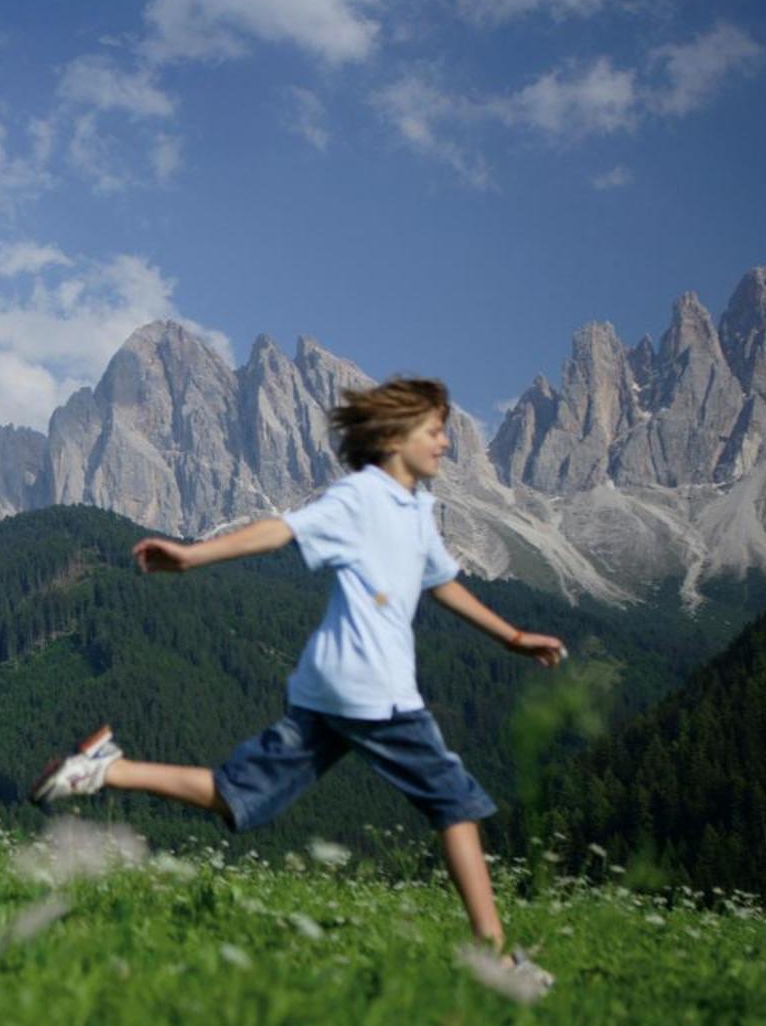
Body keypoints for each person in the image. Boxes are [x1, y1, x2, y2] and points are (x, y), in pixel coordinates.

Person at [29, 377, 561, 988]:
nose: (446, 442)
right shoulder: (362, 496)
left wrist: (512, 637)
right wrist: (194, 555)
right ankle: (495, 961)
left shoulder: (416, 510)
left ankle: (100, 769)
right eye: (434, 430)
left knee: (237, 795)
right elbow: (283, 528)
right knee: (456, 804)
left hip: (326, 691)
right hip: (374, 691)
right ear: (392, 438)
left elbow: (441, 582)